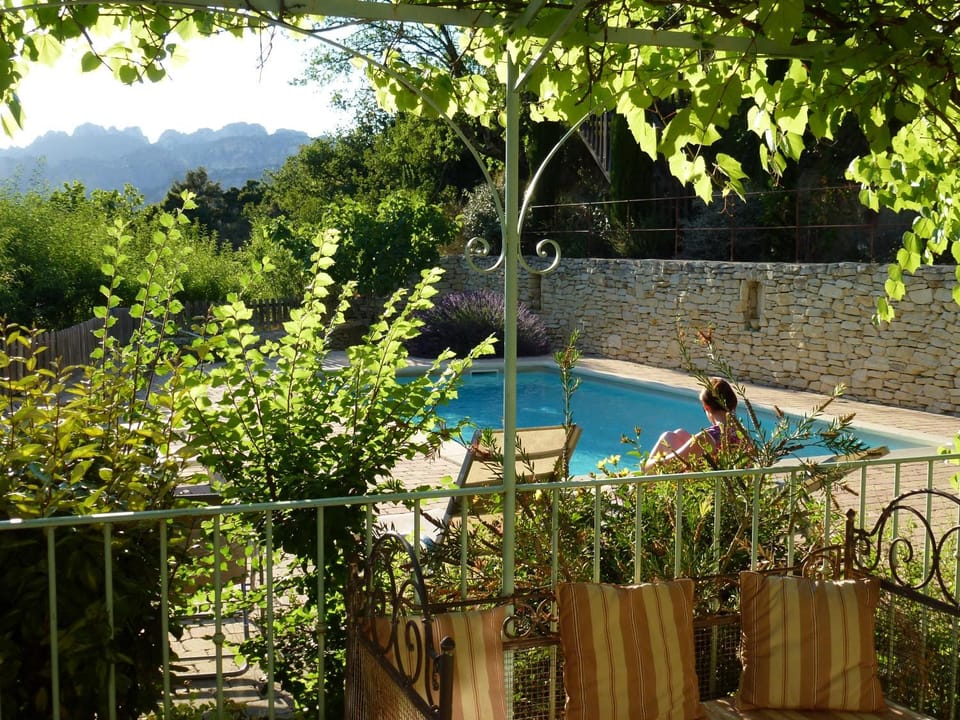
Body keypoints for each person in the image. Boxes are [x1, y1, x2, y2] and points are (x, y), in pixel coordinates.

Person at [643, 377, 746, 473]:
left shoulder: (707, 438)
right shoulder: (742, 434)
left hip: (704, 485)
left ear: (707, 407)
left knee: (666, 437)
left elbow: (669, 464)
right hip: (727, 481)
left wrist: (647, 465)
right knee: (680, 433)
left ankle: (637, 488)